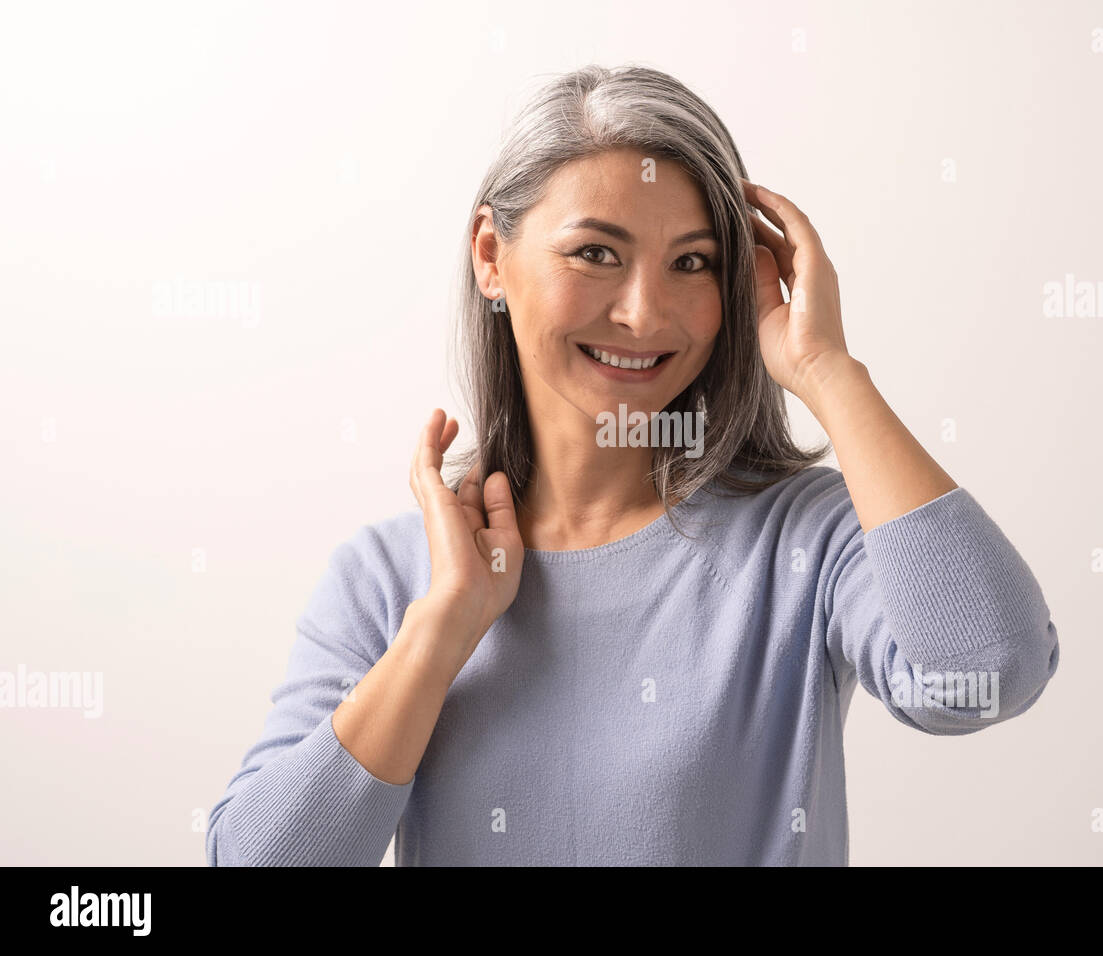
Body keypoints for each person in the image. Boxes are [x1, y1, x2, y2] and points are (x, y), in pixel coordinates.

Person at [206, 63, 1060, 866]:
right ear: (491, 257)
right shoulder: (391, 578)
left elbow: (986, 674)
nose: (644, 312)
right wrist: (440, 629)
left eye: (692, 263)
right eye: (596, 253)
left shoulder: (806, 538)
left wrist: (827, 373)